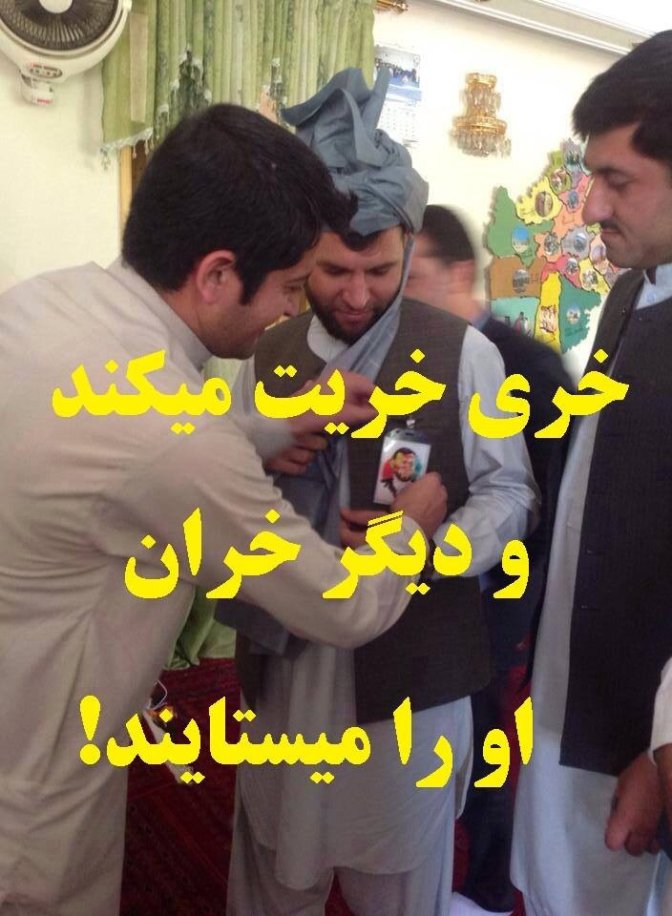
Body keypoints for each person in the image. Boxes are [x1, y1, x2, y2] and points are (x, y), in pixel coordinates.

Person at [0, 103, 449, 915]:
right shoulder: (178, 435)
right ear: (215, 275)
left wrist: (272, 426)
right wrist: (413, 526)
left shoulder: (48, 303)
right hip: (32, 790)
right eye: (291, 286)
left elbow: (113, 457)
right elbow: (341, 605)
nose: (293, 311)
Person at [224, 69, 538, 916]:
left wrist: (433, 540)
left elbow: (511, 492)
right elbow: (218, 486)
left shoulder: (465, 354)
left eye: (379, 269)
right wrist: (264, 456)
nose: (357, 294)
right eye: (334, 271)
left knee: (397, 882)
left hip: (411, 675)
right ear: (303, 255)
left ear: (406, 244)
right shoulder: (267, 351)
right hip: (288, 667)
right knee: (275, 870)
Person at [510, 30, 672, 916]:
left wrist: (662, 750)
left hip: (643, 732)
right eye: (591, 176)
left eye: (618, 180)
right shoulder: (629, 289)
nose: (592, 206)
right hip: (575, 680)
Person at [405, 204, 571, 916]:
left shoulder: (527, 366)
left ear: (458, 274)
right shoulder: (413, 356)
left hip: (500, 595)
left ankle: (490, 884)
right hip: (427, 584)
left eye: (411, 277)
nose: (393, 297)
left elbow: (547, 499)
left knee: (483, 733)